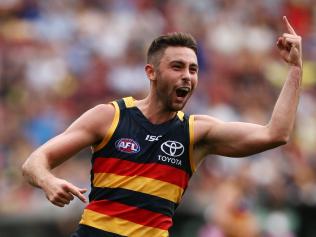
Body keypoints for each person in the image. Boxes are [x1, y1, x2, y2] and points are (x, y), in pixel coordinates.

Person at [22, 16, 302, 237]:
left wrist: (295, 69)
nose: (187, 77)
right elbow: (34, 162)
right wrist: (48, 181)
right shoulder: (110, 116)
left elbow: (275, 133)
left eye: (193, 70)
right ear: (151, 72)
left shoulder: (196, 133)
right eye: (177, 67)